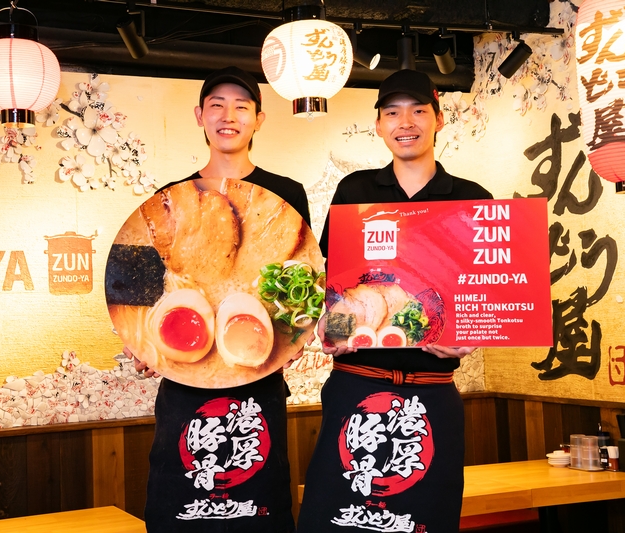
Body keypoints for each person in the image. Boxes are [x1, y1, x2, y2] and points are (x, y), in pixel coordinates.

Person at [296, 69, 493, 533]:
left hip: (433, 389)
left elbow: (484, 292)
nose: (406, 122)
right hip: (355, 386)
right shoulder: (355, 192)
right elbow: (335, 282)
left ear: (439, 119)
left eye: (418, 110)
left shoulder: (472, 198)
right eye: (392, 113)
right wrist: (333, 333)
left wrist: (471, 336)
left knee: (426, 519)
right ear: (379, 125)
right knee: (336, 521)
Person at [127, 66, 310, 533]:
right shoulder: (171, 197)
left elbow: (304, 281)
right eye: (217, 106)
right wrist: (142, 345)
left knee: (260, 513)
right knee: (180, 512)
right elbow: (137, 292)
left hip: (258, 377)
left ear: (259, 119)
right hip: (185, 382)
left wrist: (298, 335)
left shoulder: (287, 194)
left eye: (241, 107)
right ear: (199, 116)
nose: (229, 116)